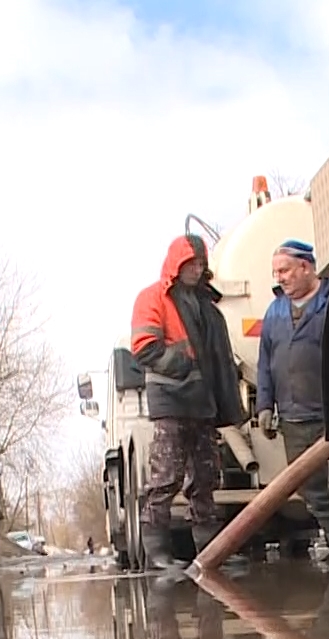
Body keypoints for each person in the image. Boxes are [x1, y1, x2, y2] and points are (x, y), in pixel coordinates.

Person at [130, 233, 247, 570]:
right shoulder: (152, 298)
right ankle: (159, 555)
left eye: (200, 263)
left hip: (203, 404)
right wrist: (186, 364)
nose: (197, 269)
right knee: (165, 477)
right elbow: (145, 348)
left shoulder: (207, 306)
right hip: (171, 401)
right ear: (176, 264)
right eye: (191, 263)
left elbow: (219, 358)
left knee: (206, 479)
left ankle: (209, 554)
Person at [254, 239, 329, 552]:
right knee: (308, 487)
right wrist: (264, 406)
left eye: (285, 270)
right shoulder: (274, 313)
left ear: (306, 266)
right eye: (276, 272)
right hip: (293, 418)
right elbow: (265, 363)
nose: (280, 278)